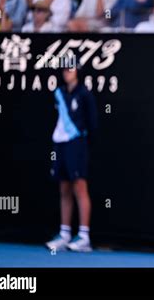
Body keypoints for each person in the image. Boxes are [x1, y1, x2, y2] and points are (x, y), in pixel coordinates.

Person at [46, 67, 98, 252]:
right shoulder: (59, 93)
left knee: (79, 187)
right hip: (61, 144)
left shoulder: (84, 94)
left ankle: (84, 236)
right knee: (64, 188)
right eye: (64, 69)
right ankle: (65, 233)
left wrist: (82, 145)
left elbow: (93, 124)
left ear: (77, 70)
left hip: (77, 144)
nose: (66, 72)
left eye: (70, 68)